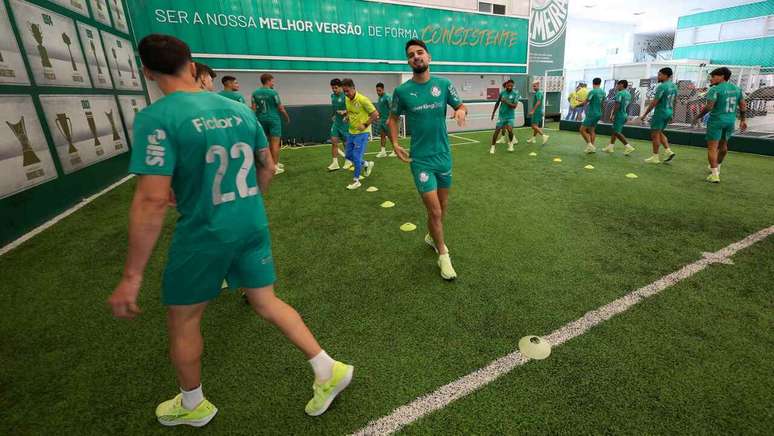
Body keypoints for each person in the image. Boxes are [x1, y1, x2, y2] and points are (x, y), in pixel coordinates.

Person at [107, 34, 353, 428]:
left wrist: (131, 276)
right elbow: (267, 167)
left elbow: (151, 200)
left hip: (205, 231)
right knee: (265, 300)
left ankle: (192, 405)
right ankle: (327, 367)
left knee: (183, 319)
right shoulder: (238, 109)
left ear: (147, 71)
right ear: (192, 64)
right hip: (251, 220)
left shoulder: (157, 116)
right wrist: (248, 203)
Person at [387, 39, 466, 280]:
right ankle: (443, 254)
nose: (416, 57)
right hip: (420, 160)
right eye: (411, 55)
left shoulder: (443, 85)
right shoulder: (401, 92)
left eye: (420, 53)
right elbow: (392, 119)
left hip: (443, 157)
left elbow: (460, 105)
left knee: (441, 209)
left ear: (429, 57)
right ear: (408, 62)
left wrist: (461, 111)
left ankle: (431, 237)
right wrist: (395, 144)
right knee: (434, 210)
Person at [693, 67, 747, 183]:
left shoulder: (714, 89)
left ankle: (714, 174)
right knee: (723, 147)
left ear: (722, 76)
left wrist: (698, 116)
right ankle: (718, 167)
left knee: (712, 148)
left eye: (713, 76)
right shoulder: (737, 89)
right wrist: (743, 120)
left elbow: (709, 107)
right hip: (730, 121)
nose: (711, 79)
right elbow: (742, 105)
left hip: (716, 121)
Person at [341, 78, 377, 190]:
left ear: (353, 88)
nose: (346, 94)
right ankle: (366, 164)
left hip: (362, 133)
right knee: (348, 156)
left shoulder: (363, 100)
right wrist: (347, 117)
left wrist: (365, 125)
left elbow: (375, 114)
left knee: (356, 157)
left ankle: (356, 181)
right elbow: (350, 111)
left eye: (347, 91)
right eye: (344, 91)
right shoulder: (347, 99)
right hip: (351, 132)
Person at [252, 73, 290, 174]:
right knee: (275, 143)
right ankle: (275, 166)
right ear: (268, 81)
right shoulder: (273, 93)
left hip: (260, 119)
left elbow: (253, 109)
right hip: (273, 119)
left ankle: (269, 164)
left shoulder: (255, 93)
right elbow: (280, 107)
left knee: (266, 143)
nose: (273, 83)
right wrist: (286, 117)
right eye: (272, 81)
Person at [639, 67, 677, 164]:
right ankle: (668, 151)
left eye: (660, 74)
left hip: (660, 113)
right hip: (668, 112)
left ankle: (655, 157)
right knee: (659, 132)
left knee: (655, 134)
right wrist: (672, 114)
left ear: (665, 75)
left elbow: (654, 102)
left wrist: (644, 114)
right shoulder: (674, 86)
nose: (658, 76)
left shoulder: (662, 86)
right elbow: (674, 101)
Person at [603, 80, 635, 155]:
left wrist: (612, 115)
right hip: (624, 114)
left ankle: (628, 146)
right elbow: (627, 106)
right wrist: (626, 115)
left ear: (622, 85)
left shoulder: (620, 93)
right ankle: (610, 147)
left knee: (617, 132)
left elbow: (617, 105)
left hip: (619, 115)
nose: (617, 86)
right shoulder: (628, 94)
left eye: (618, 85)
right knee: (615, 131)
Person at [490, 79, 520, 153]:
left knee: (510, 130)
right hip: (502, 116)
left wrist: (506, 101)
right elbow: (497, 103)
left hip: (510, 116)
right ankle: (493, 147)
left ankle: (511, 145)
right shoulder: (502, 93)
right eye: (508, 85)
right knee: (497, 130)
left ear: (513, 86)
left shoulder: (515, 94)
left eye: (511, 86)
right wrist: (493, 113)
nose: (510, 87)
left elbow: (514, 106)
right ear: (506, 85)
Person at [327, 78, 351, 171]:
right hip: (336, 123)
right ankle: (335, 163)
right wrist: (333, 115)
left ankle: (348, 161)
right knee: (334, 141)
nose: (334, 90)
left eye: (336, 88)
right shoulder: (332, 96)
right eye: (332, 88)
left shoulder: (346, 96)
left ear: (341, 87)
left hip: (345, 123)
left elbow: (351, 110)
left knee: (346, 143)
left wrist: (345, 112)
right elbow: (333, 107)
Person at [579, 77, 605, 153]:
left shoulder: (592, 92)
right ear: (600, 83)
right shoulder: (603, 92)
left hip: (592, 113)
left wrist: (576, 105)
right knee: (592, 130)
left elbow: (585, 102)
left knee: (582, 130)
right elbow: (602, 103)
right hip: (598, 113)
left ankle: (590, 145)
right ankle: (592, 147)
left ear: (593, 83)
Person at [374, 83, 395, 158]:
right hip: (381, 120)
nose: (378, 92)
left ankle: (395, 151)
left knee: (390, 136)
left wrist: (389, 119)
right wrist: (377, 115)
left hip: (387, 120)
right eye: (377, 91)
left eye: (379, 90)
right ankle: (383, 151)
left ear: (383, 89)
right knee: (382, 135)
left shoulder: (387, 97)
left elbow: (392, 109)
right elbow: (380, 108)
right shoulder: (379, 98)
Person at [526, 80, 549, 145]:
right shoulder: (539, 92)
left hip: (537, 111)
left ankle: (544, 136)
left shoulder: (539, 93)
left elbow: (538, 102)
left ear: (538, 85)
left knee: (533, 126)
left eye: (535, 86)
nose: (534, 87)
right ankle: (533, 138)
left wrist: (533, 110)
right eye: (533, 86)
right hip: (539, 111)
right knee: (535, 126)